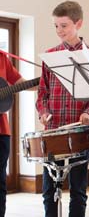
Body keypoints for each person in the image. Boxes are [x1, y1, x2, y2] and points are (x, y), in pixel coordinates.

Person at [36, 1, 89, 217]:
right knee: (49, 190)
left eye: (63, 25)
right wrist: (43, 111)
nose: (59, 31)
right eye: (56, 26)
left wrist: (88, 114)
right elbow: (42, 94)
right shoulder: (49, 56)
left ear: (78, 23)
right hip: (53, 130)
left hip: (79, 132)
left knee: (78, 190)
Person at [0, 52, 34, 217]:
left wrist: (46, 80)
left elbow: (21, 83)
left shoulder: (1, 58)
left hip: (1, 131)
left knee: (0, 181)